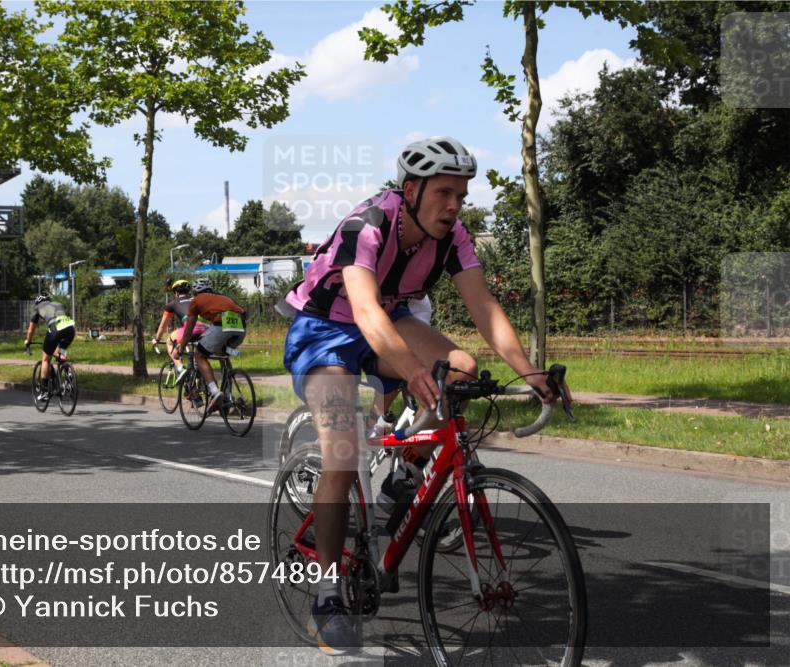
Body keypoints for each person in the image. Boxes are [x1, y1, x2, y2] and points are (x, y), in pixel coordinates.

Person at [281, 136, 571, 655]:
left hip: (389, 321)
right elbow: (365, 310)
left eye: (461, 195)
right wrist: (412, 370)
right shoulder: (367, 224)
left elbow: (483, 306)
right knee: (342, 451)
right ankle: (327, 592)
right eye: (444, 193)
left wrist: (528, 371)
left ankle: (405, 475)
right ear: (411, 190)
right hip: (324, 329)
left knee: (461, 371)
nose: (455, 205)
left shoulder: (453, 235)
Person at [174, 278, 247, 413]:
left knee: (199, 355)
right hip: (240, 328)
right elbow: (244, 312)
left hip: (221, 326)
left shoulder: (196, 301)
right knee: (223, 355)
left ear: (195, 292)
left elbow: (189, 329)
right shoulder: (223, 297)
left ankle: (215, 392)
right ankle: (227, 396)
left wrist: (181, 347)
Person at [151, 279, 208, 379]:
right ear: (188, 292)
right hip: (205, 329)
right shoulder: (195, 300)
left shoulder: (172, 304)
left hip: (189, 329)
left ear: (176, 293)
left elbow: (163, 326)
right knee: (199, 357)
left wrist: (157, 339)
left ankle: (180, 368)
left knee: (169, 342)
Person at [24, 294, 76, 400]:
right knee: (60, 351)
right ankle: (69, 373)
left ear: (37, 303)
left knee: (46, 359)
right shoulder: (58, 304)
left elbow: (31, 329)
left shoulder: (38, 308)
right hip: (70, 328)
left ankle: (44, 391)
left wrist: (28, 341)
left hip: (55, 328)